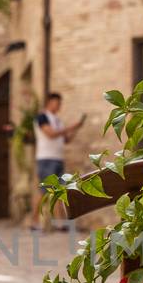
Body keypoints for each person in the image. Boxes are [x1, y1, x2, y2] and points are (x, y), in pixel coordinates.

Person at [33, 91, 83, 229]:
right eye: (58, 103)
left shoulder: (58, 121)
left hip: (58, 158)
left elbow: (66, 139)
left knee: (60, 190)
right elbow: (50, 134)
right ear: (50, 102)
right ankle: (35, 222)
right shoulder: (42, 117)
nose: (60, 105)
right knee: (44, 191)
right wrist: (71, 127)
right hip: (46, 159)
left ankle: (61, 223)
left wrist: (76, 129)